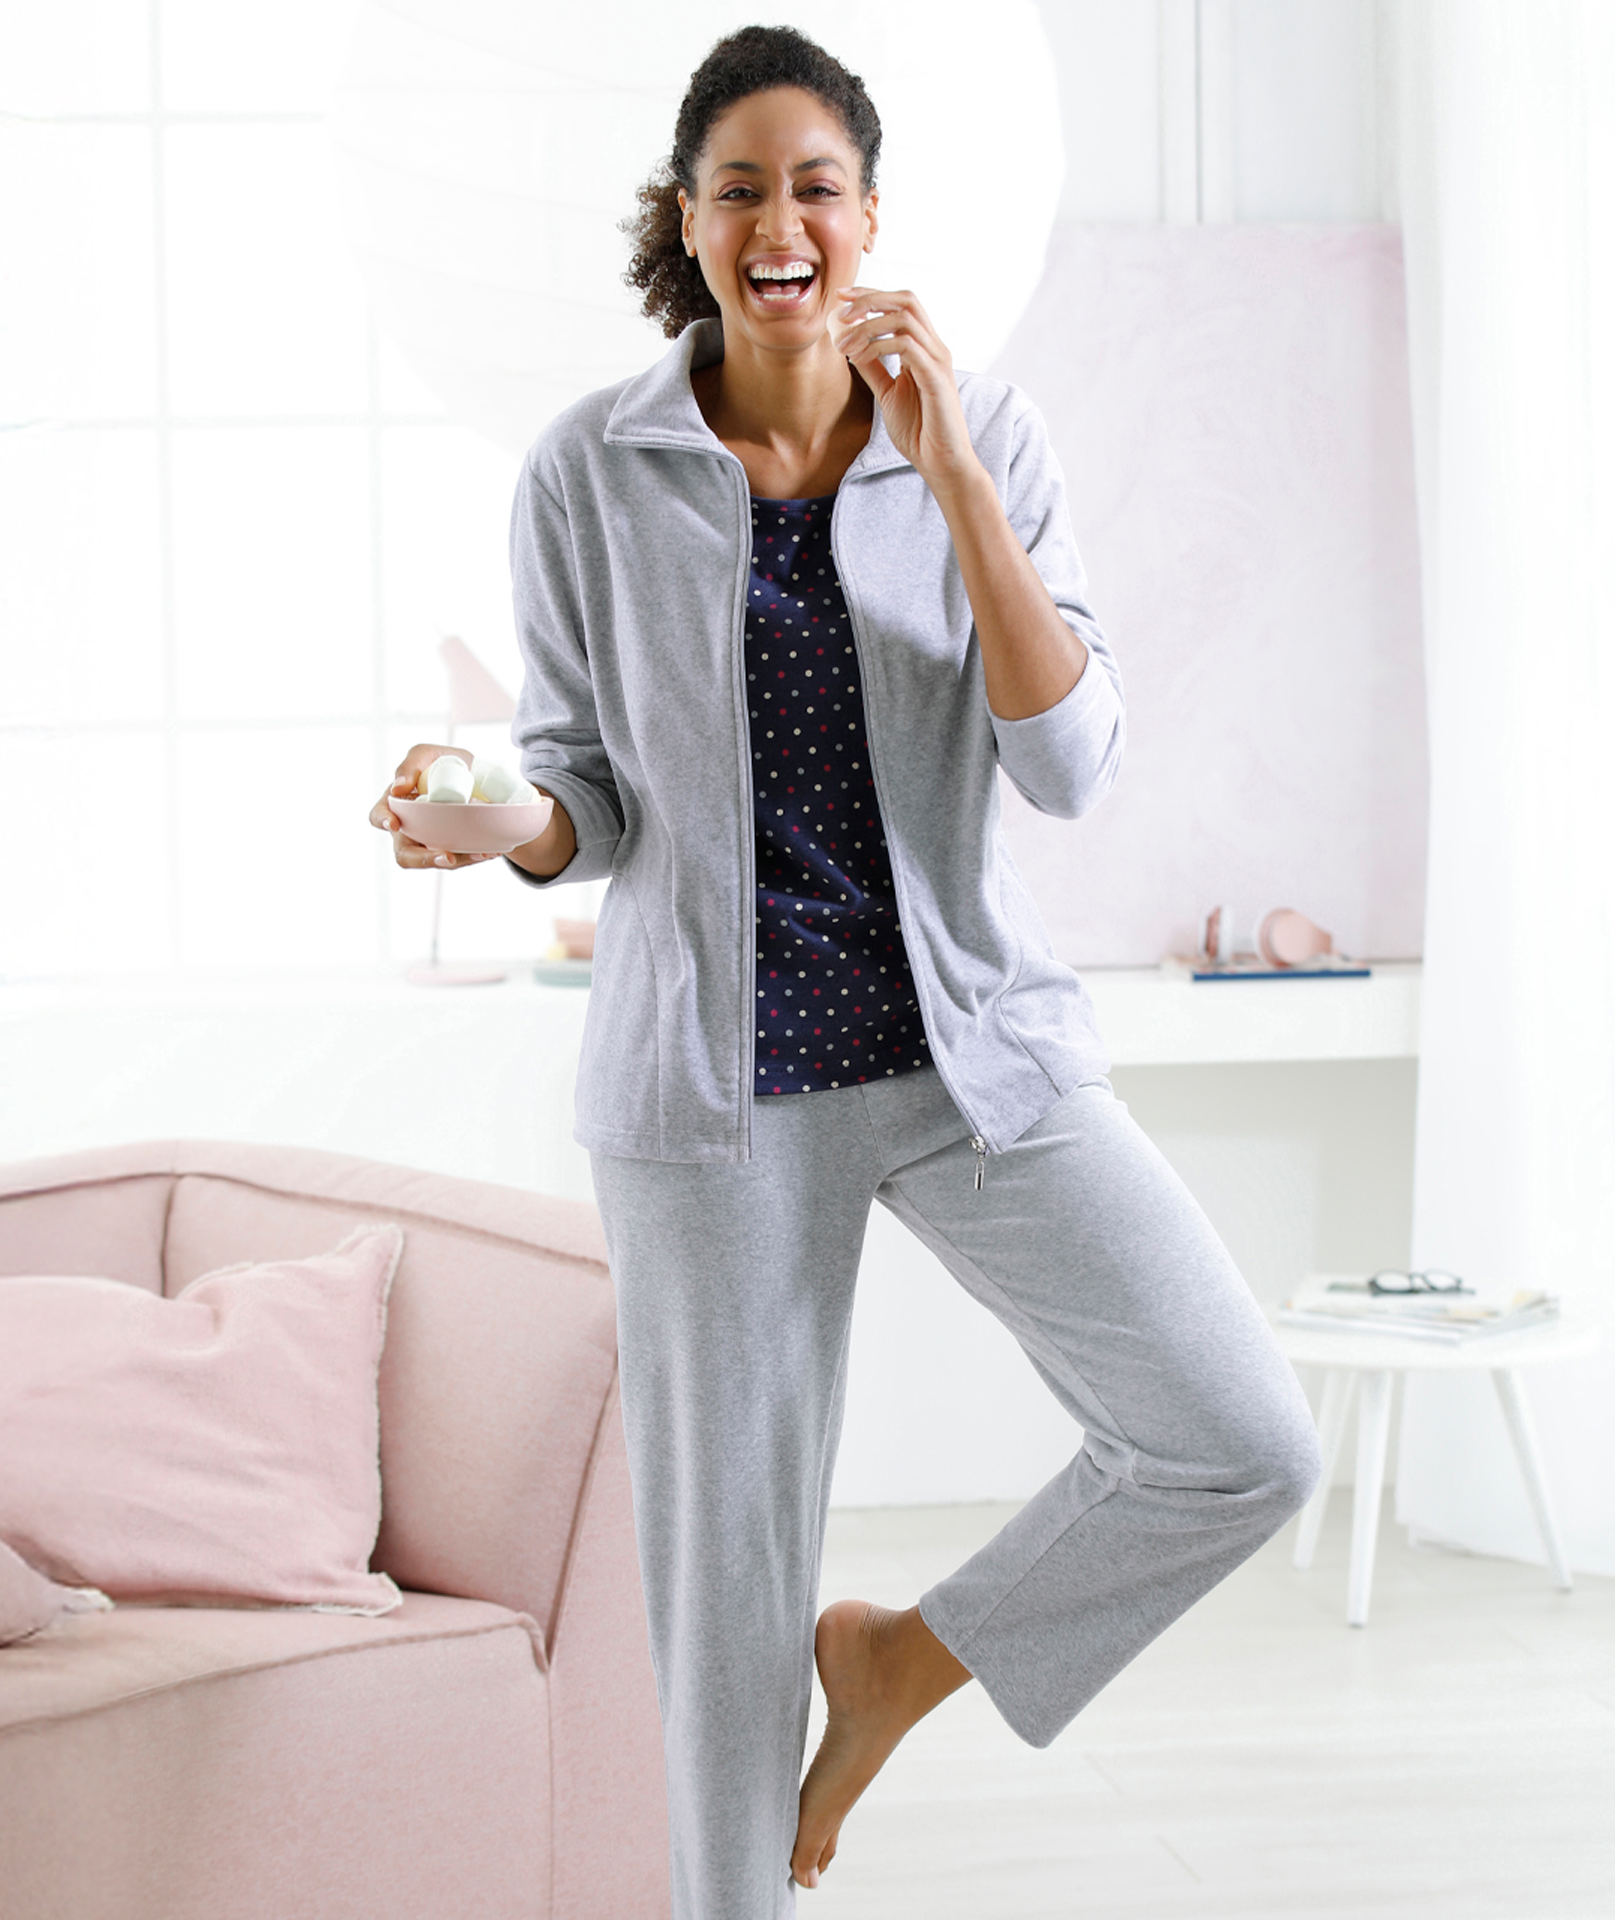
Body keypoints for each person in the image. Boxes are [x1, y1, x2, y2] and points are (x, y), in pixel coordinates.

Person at [372, 26, 1321, 1918]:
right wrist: (504, 829)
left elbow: (1066, 757)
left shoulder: (991, 440)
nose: (781, 219)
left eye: (818, 185)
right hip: (708, 1099)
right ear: (689, 220)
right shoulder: (590, 469)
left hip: (971, 1054)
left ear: (871, 218)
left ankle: (901, 1661)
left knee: (1240, 1437)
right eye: (741, 187)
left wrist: (953, 463)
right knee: (722, 1611)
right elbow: (589, 798)